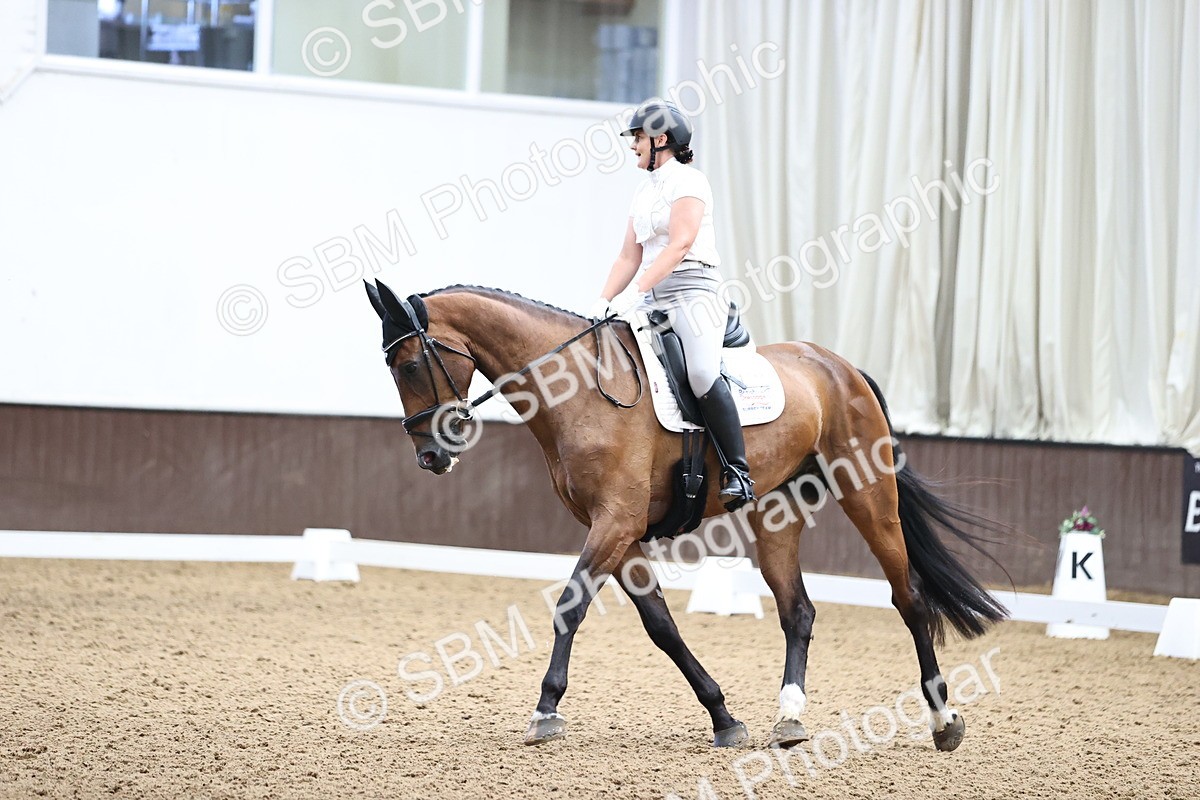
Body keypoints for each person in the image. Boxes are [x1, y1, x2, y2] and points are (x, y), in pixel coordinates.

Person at [590, 99, 755, 511]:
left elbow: (681, 244)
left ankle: (738, 471)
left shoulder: (691, 182)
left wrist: (637, 290)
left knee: (700, 373)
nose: (633, 146)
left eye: (639, 138)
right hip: (651, 296)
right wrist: (604, 299)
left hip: (695, 291)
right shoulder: (643, 192)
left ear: (660, 140)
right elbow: (628, 256)